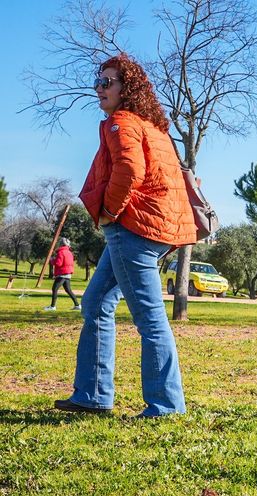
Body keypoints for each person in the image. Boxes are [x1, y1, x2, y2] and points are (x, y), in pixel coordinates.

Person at [55, 53, 193, 417]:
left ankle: (166, 406)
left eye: (108, 82)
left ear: (126, 88)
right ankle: (93, 394)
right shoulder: (153, 126)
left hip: (134, 229)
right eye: (97, 82)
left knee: (149, 319)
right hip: (159, 229)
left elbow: (130, 169)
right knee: (97, 301)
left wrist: (110, 212)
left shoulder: (122, 121)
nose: (99, 88)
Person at [44, 238, 81, 311]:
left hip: (62, 273)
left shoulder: (61, 252)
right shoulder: (69, 252)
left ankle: (52, 306)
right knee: (68, 290)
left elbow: (58, 263)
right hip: (68, 274)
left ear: (61, 244)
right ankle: (77, 305)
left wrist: (52, 261)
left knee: (54, 289)